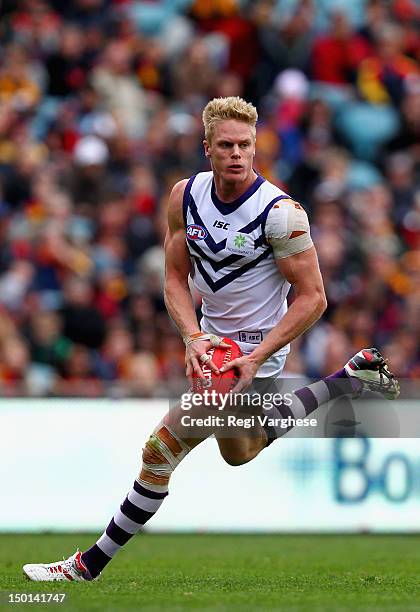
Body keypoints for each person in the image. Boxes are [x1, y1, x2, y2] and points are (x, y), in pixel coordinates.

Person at [23, 97, 399, 582]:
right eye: (226, 145)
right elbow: (175, 278)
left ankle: (88, 565)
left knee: (162, 448)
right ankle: (349, 377)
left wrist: (255, 357)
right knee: (240, 451)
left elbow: (314, 298)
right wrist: (193, 336)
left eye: (246, 145)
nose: (238, 154)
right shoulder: (184, 197)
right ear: (207, 148)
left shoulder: (281, 214)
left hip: (257, 353)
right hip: (214, 346)